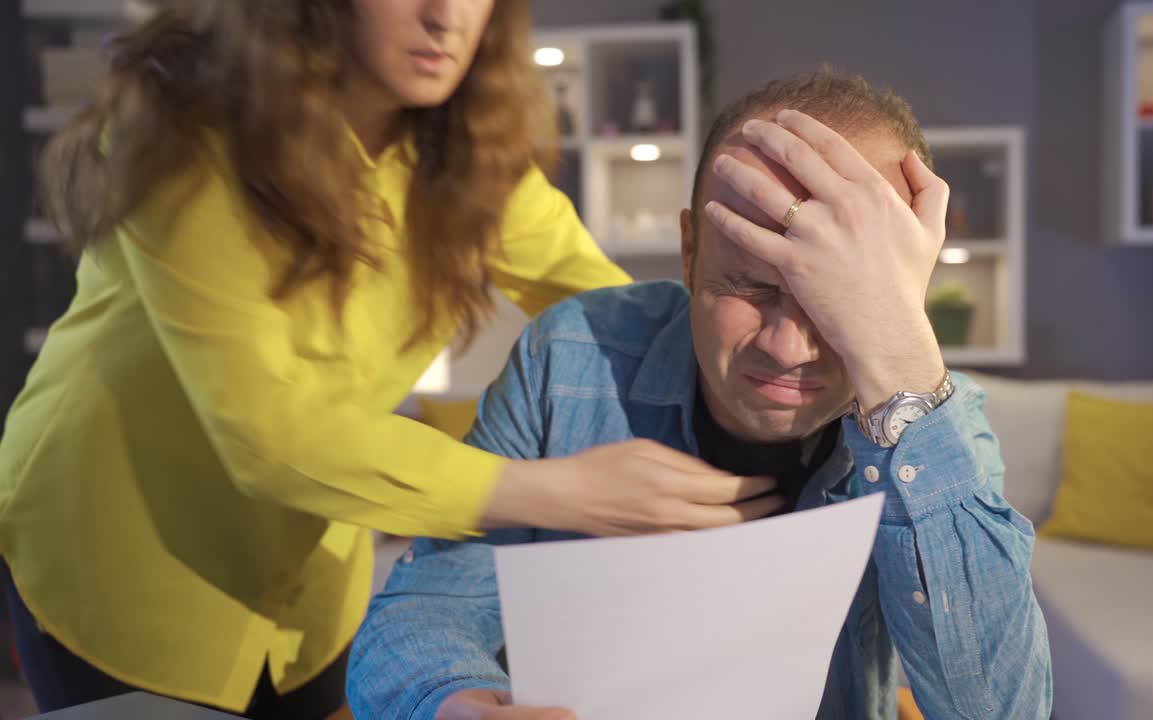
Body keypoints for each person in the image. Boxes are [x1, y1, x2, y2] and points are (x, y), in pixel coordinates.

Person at [0, 1, 782, 717]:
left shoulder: (466, 162)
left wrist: (771, 360)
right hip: (122, 556)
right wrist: (563, 492)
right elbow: (269, 434)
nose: (446, 16)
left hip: (311, 589)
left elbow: (612, 312)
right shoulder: (183, 134)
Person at [346, 70, 1053, 720]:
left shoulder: (936, 429)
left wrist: (898, 360)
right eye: (748, 286)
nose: (786, 346)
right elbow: (425, 610)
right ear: (689, 251)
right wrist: (454, 703)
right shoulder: (569, 359)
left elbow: (1002, 710)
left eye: (834, 303)